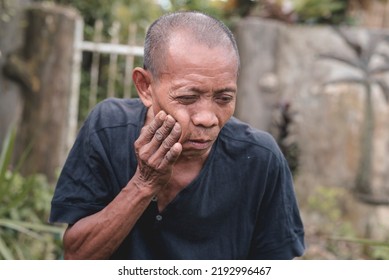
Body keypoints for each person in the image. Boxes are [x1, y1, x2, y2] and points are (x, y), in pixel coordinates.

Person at [50, 11, 305, 260]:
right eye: (187, 98)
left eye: (224, 98)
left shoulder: (260, 158)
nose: (208, 118)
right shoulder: (109, 128)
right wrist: (143, 185)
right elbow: (77, 257)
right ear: (145, 87)